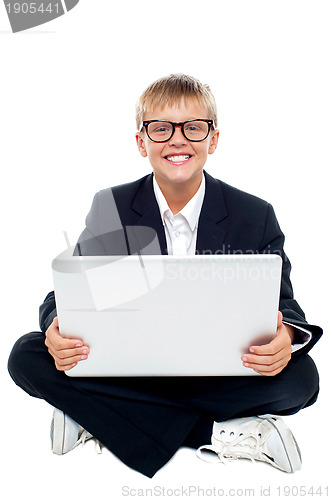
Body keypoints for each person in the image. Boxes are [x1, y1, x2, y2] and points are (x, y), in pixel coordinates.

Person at [8, 74, 322, 477]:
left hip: (217, 372)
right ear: (142, 142)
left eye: (194, 127)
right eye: (161, 128)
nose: (178, 140)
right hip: (130, 368)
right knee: (27, 354)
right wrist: (55, 327)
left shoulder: (254, 214)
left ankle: (97, 414)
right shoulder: (114, 206)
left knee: (301, 378)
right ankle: (213, 432)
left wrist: (287, 338)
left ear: (213, 139)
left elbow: (284, 304)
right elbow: (68, 291)